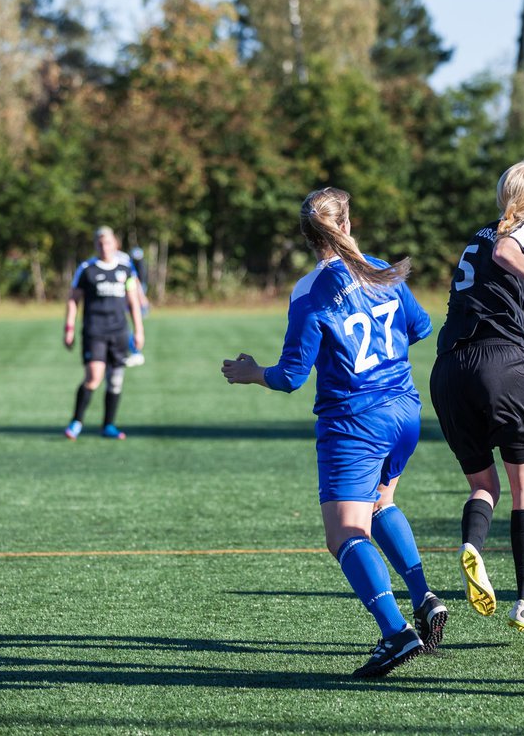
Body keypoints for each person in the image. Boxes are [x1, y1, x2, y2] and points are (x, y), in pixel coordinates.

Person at [220, 187, 445, 679]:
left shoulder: (310, 291)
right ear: (348, 221)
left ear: (306, 235)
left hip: (355, 421)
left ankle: (396, 633)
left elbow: (291, 377)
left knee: (345, 533)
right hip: (404, 411)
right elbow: (422, 327)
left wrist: (252, 371)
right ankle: (424, 598)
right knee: (382, 504)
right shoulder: (382, 268)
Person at [429, 158, 524, 637]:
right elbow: (506, 253)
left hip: (449, 371)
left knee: (485, 487)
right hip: (501, 370)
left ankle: (474, 544)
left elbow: (488, 312)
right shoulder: (518, 232)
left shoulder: (475, 238)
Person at [64, 226, 144, 439]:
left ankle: (108, 425)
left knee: (116, 380)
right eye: (100, 243)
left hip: (118, 332)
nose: (104, 247)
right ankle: (76, 422)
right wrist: (69, 327)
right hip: (94, 331)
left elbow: (133, 301)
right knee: (94, 377)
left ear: (115, 244)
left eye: (107, 242)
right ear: (95, 246)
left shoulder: (125, 269)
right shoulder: (87, 269)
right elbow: (74, 299)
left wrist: (139, 331)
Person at [114, 246, 149, 367]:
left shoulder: (122, 258)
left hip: (124, 299)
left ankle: (135, 352)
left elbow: (134, 280)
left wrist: (141, 297)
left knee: (123, 325)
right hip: (115, 302)